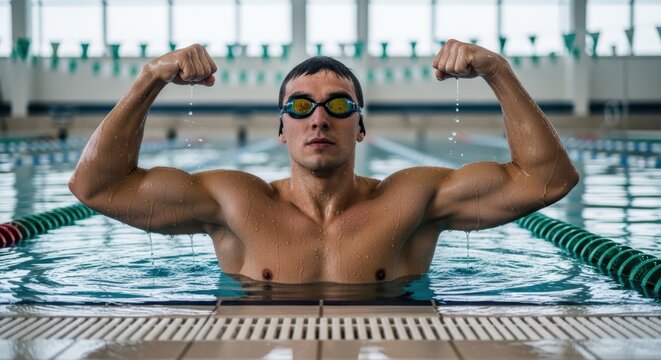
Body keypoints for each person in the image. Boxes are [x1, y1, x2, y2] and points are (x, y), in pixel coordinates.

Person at [69, 40, 579, 284]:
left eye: (338, 105)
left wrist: (498, 71)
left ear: (358, 126)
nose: (318, 119)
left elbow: (548, 180)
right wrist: (149, 78)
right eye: (299, 106)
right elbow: (97, 187)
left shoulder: (410, 199)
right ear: (281, 128)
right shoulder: (234, 202)